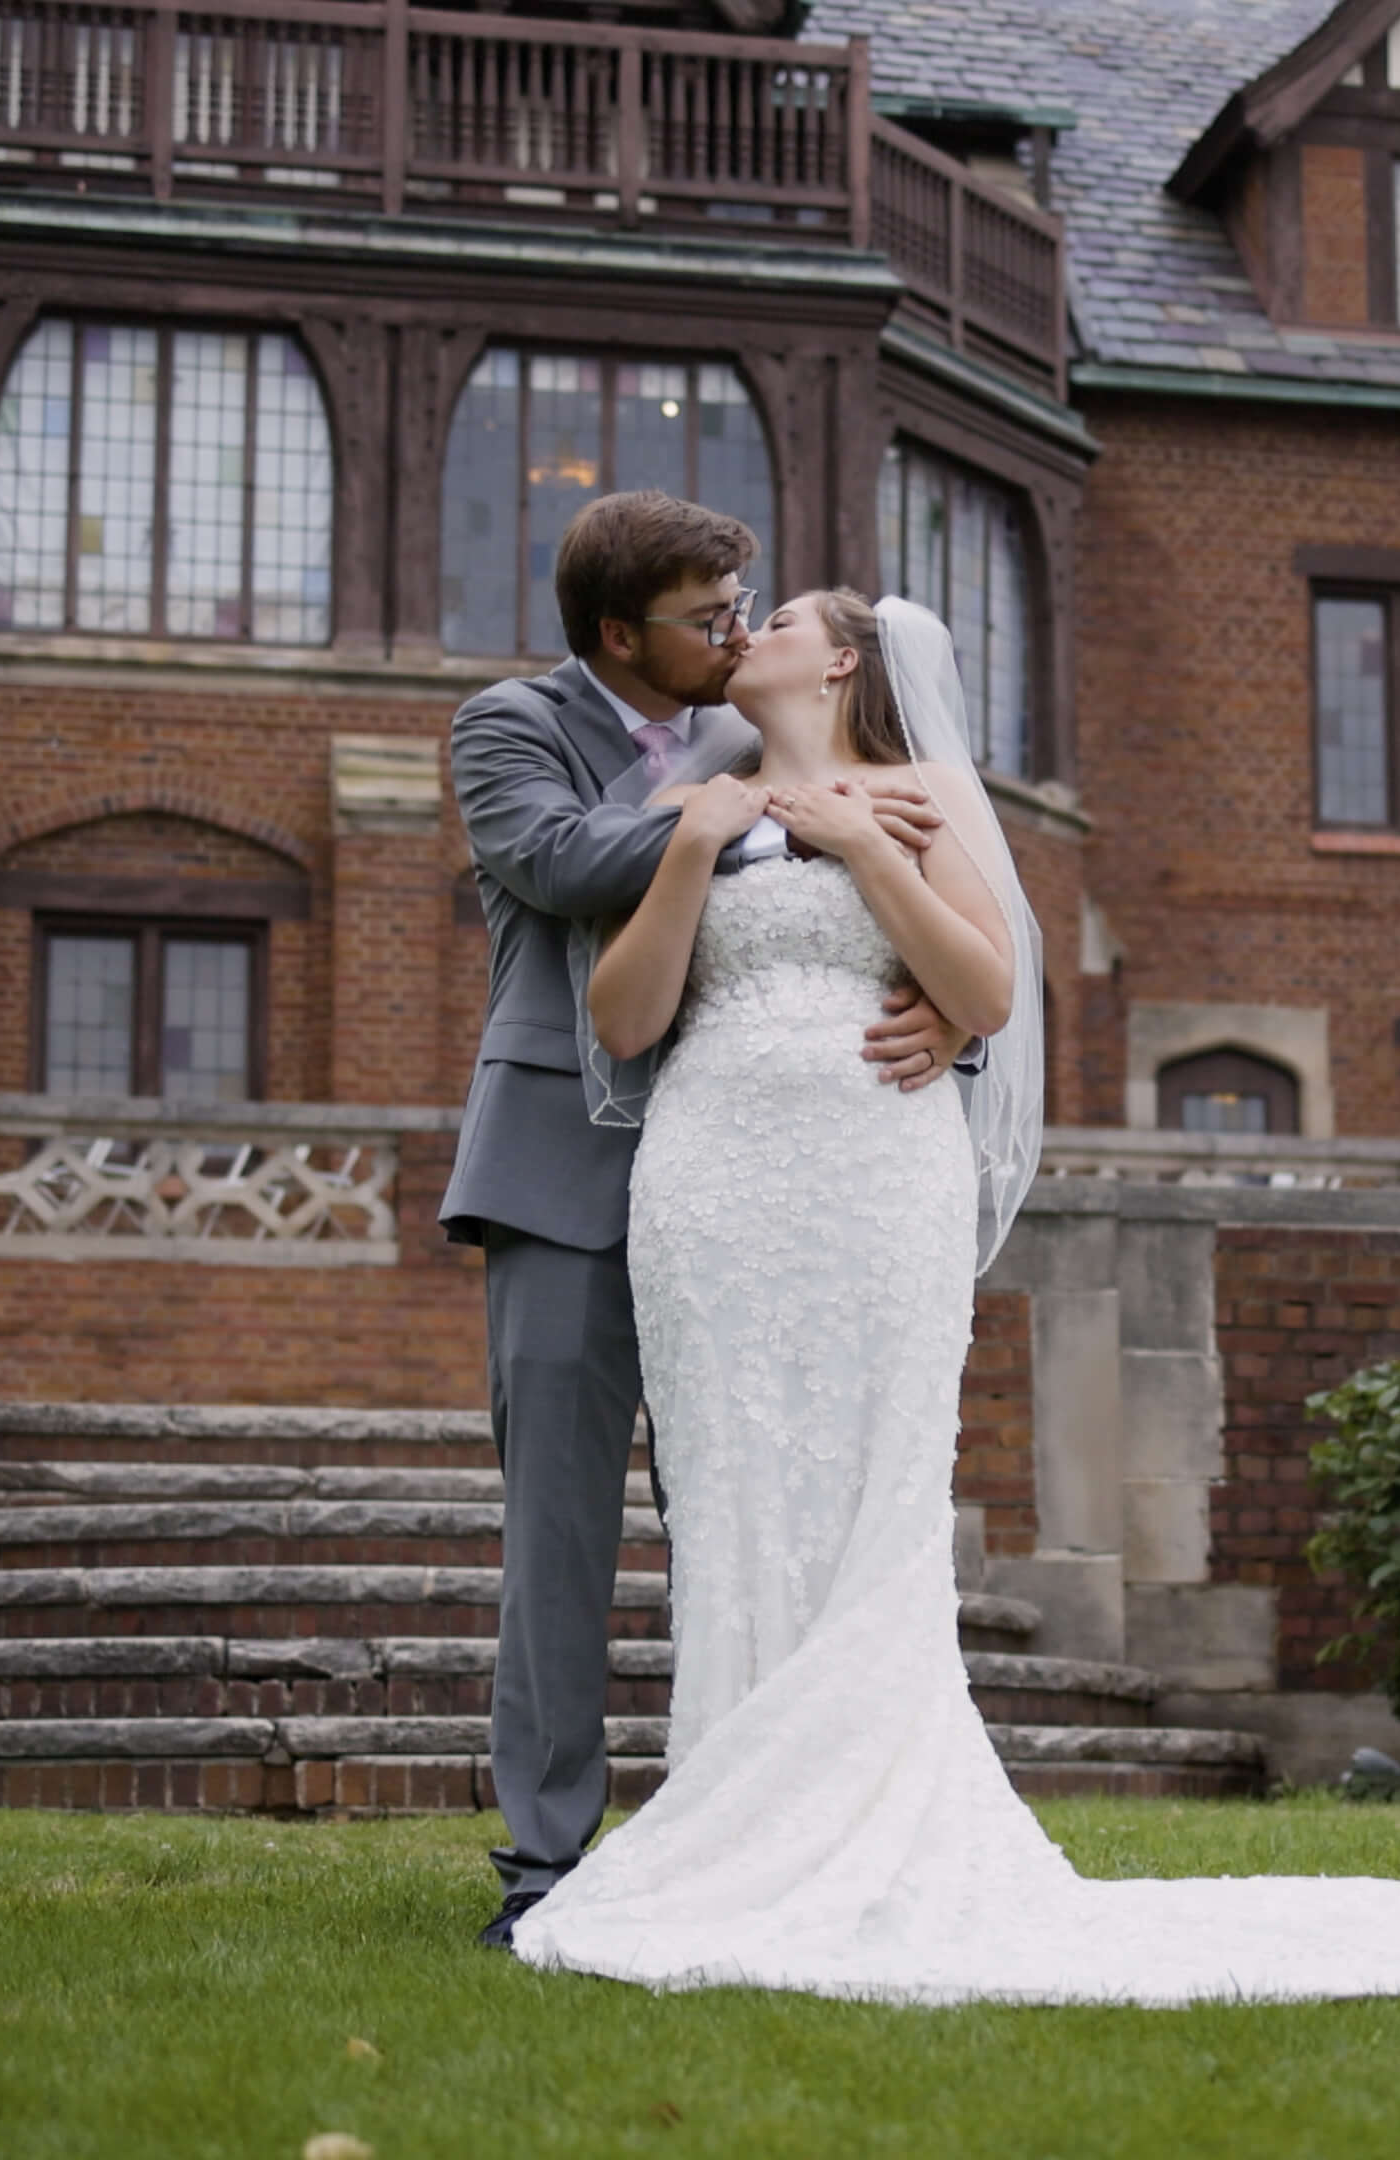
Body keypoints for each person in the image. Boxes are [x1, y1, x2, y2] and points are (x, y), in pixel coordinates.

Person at [508, 589, 1400, 2005]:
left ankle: (863, 1824)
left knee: (868, 1493)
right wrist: (701, 844)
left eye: (785, 614)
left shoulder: (926, 792)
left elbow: (988, 997)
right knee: (736, 1489)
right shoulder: (694, 795)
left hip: (876, 1181)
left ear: (841, 658)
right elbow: (628, 1021)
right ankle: (726, 1812)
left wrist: (857, 854)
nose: (746, 627)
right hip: (707, 1189)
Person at [441, 495, 964, 1953]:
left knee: (751, 1516)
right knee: (560, 1531)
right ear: (621, 633)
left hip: (766, 1183)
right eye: (708, 613)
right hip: (564, 1176)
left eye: (749, 608)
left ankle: (756, 1833)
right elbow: (549, 863)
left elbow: (866, 887)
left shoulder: (755, 740)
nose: (739, 630)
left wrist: (946, 1020)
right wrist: (712, 818)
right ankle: (547, 1861)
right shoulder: (510, 726)